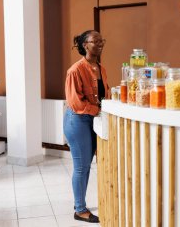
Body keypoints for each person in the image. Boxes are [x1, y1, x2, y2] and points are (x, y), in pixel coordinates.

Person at [63, 30, 109, 223]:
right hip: (78, 120)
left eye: (101, 40)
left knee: (86, 166)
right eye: (95, 41)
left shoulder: (100, 67)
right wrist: (97, 109)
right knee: (81, 167)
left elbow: (104, 93)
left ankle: (79, 202)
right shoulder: (75, 70)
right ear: (85, 45)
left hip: (92, 119)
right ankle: (80, 210)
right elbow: (76, 103)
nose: (99, 43)